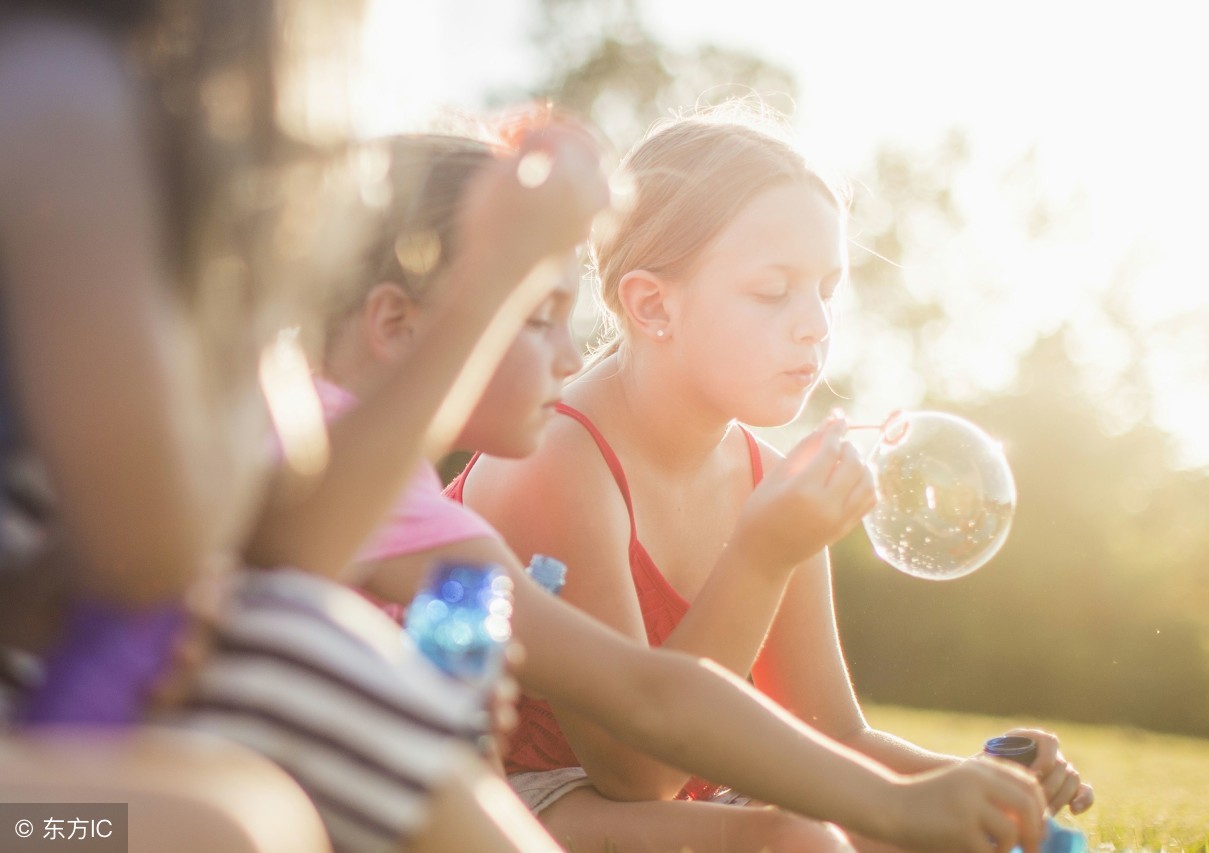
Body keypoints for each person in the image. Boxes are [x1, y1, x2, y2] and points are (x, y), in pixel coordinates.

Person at [318, 132, 1050, 853]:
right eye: (773, 291)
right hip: (537, 789)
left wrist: (979, 789)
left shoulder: (770, 476)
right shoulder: (548, 458)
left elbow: (831, 733)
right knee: (802, 838)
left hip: (603, 795)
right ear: (652, 305)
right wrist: (761, 555)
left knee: (880, 833)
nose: (817, 326)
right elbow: (639, 762)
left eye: (828, 290)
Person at [0, 2, 606, 850]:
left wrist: (496, 273)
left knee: (301, 648)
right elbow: (154, 552)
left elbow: (288, 548)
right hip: (33, 817)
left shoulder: (143, 134)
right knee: (226, 826)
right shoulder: (63, 99)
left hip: (53, 731)